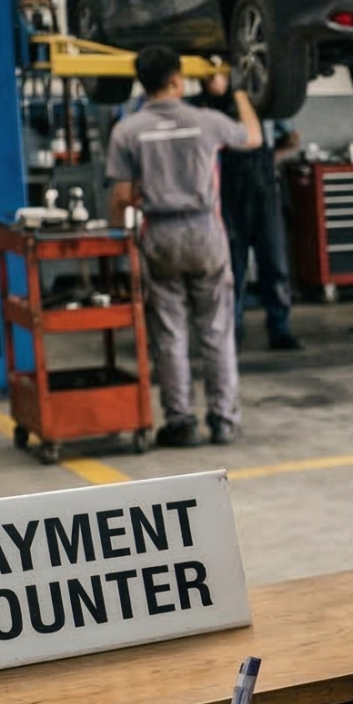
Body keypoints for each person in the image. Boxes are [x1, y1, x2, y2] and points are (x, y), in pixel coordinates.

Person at [108, 46, 263, 448]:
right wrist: (240, 92)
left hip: (159, 234)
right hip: (205, 232)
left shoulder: (128, 130)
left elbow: (123, 196)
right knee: (216, 330)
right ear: (178, 80)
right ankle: (224, 420)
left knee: (171, 334)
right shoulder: (207, 121)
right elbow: (254, 136)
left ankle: (181, 422)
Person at [191, 70, 297, 351]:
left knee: (275, 265)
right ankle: (231, 332)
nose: (214, 79)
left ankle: (280, 329)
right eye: (208, 75)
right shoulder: (199, 109)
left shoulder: (258, 105)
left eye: (219, 74)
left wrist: (271, 158)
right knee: (230, 270)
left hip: (263, 195)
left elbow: (292, 138)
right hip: (225, 198)